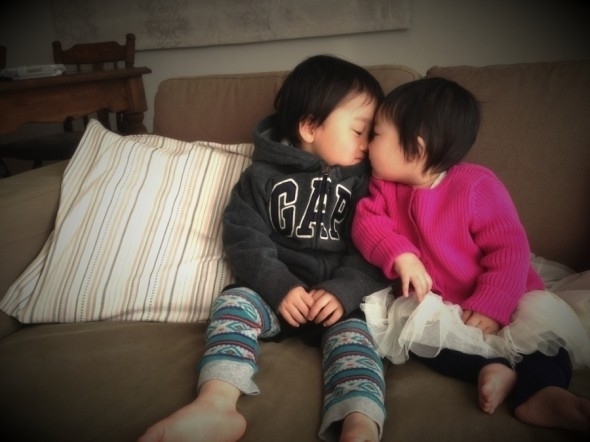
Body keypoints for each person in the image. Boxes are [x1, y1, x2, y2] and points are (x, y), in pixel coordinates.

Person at [138, 54, 389, 442]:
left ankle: (359, 422)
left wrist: (343, 292)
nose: (367, 144)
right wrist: (278, 285)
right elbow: (243, 236)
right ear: (309, 126)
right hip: (272, 297)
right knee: (233, 302)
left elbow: (377, 246)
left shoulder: (366, 185)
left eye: (371, 133)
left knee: (357, 341)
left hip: (337, 305)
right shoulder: (261, 176)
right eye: (359, 130)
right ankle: (216, 404)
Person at [351, 77, 590, 432]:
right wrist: (400, 254)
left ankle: (543, 392)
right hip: (440, 305)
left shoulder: (475, 185)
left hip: (508, 295)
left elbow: (510, 248)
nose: (367, 144)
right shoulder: (383, 189)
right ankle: (491, 370)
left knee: (546, 341)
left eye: (376, 134)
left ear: (415, 149)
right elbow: (366, 223)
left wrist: (493, 303)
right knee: (422, 340)